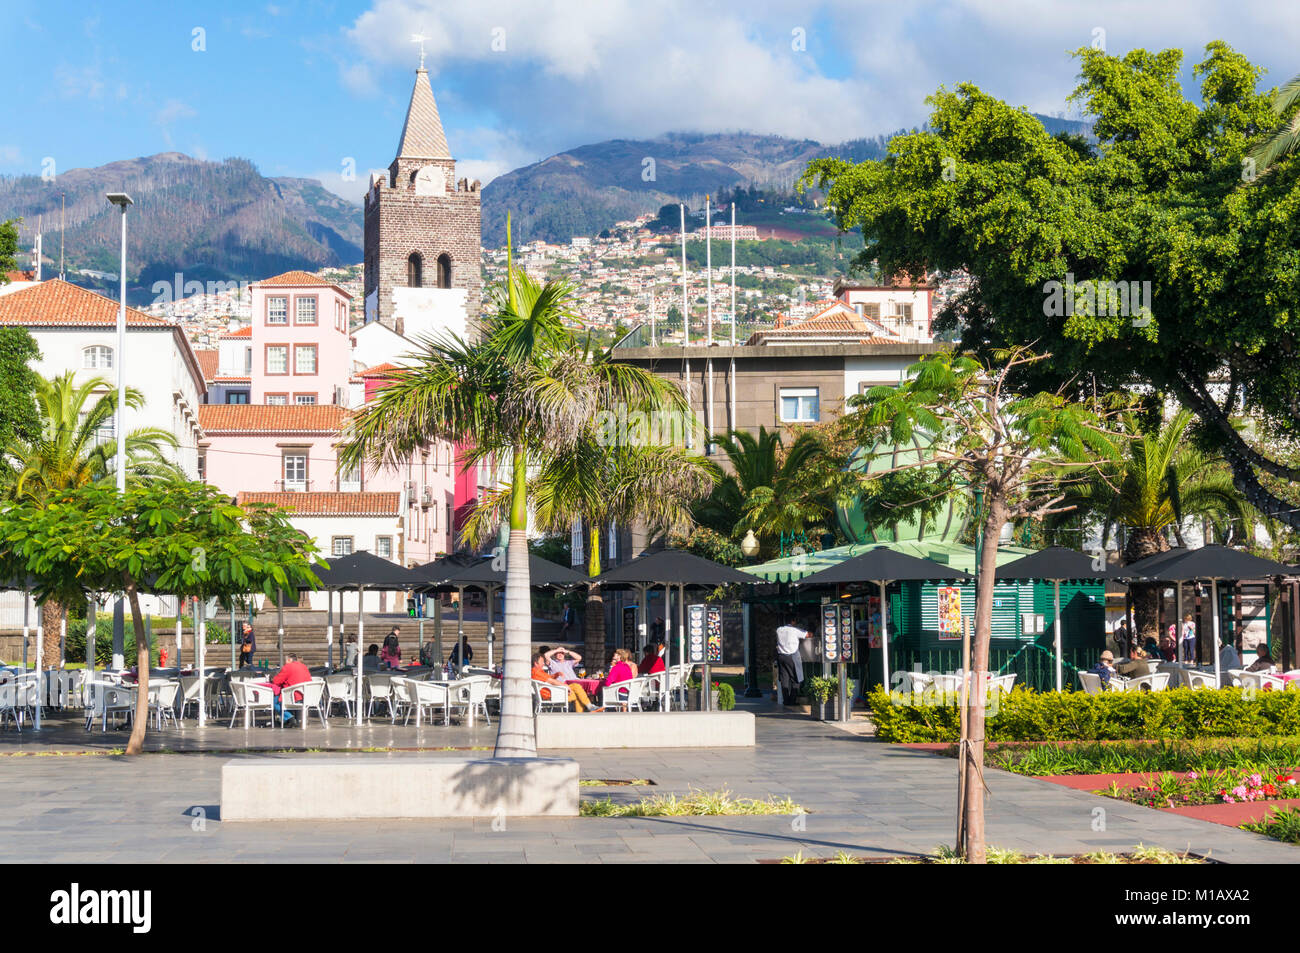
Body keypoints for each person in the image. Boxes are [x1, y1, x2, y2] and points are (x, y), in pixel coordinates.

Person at [532, 651, 598, 712]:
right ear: (536, 663)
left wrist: (556, 674)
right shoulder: (537, 672)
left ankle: (583, 711)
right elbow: (552, 681)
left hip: (553, 692)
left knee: (577, 691)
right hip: (552, 695)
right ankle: (589, 707)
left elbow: (548, 678)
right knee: (576, 687)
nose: (544, 663)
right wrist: (565, 686)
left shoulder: (536, 671)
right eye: (542, 662)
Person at [775, 617, 810, 705]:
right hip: (792, 656)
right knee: (796, 679)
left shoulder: (779, 630)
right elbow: (807, 635)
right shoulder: (795, 630)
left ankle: (786, 701)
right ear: (793, 621)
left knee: (784, 679)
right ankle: (792, 701)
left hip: (781, 657)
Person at [270, 653, 311, 725]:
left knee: (274, 702)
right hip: (306, 695)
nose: (285, 663)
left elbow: (276, 681)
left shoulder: (288, 667)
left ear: (289, 660)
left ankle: (290, 718)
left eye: (285, 661)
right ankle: (291, 719)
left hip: (293, 695)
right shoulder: (304, 666)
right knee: (281, 697)